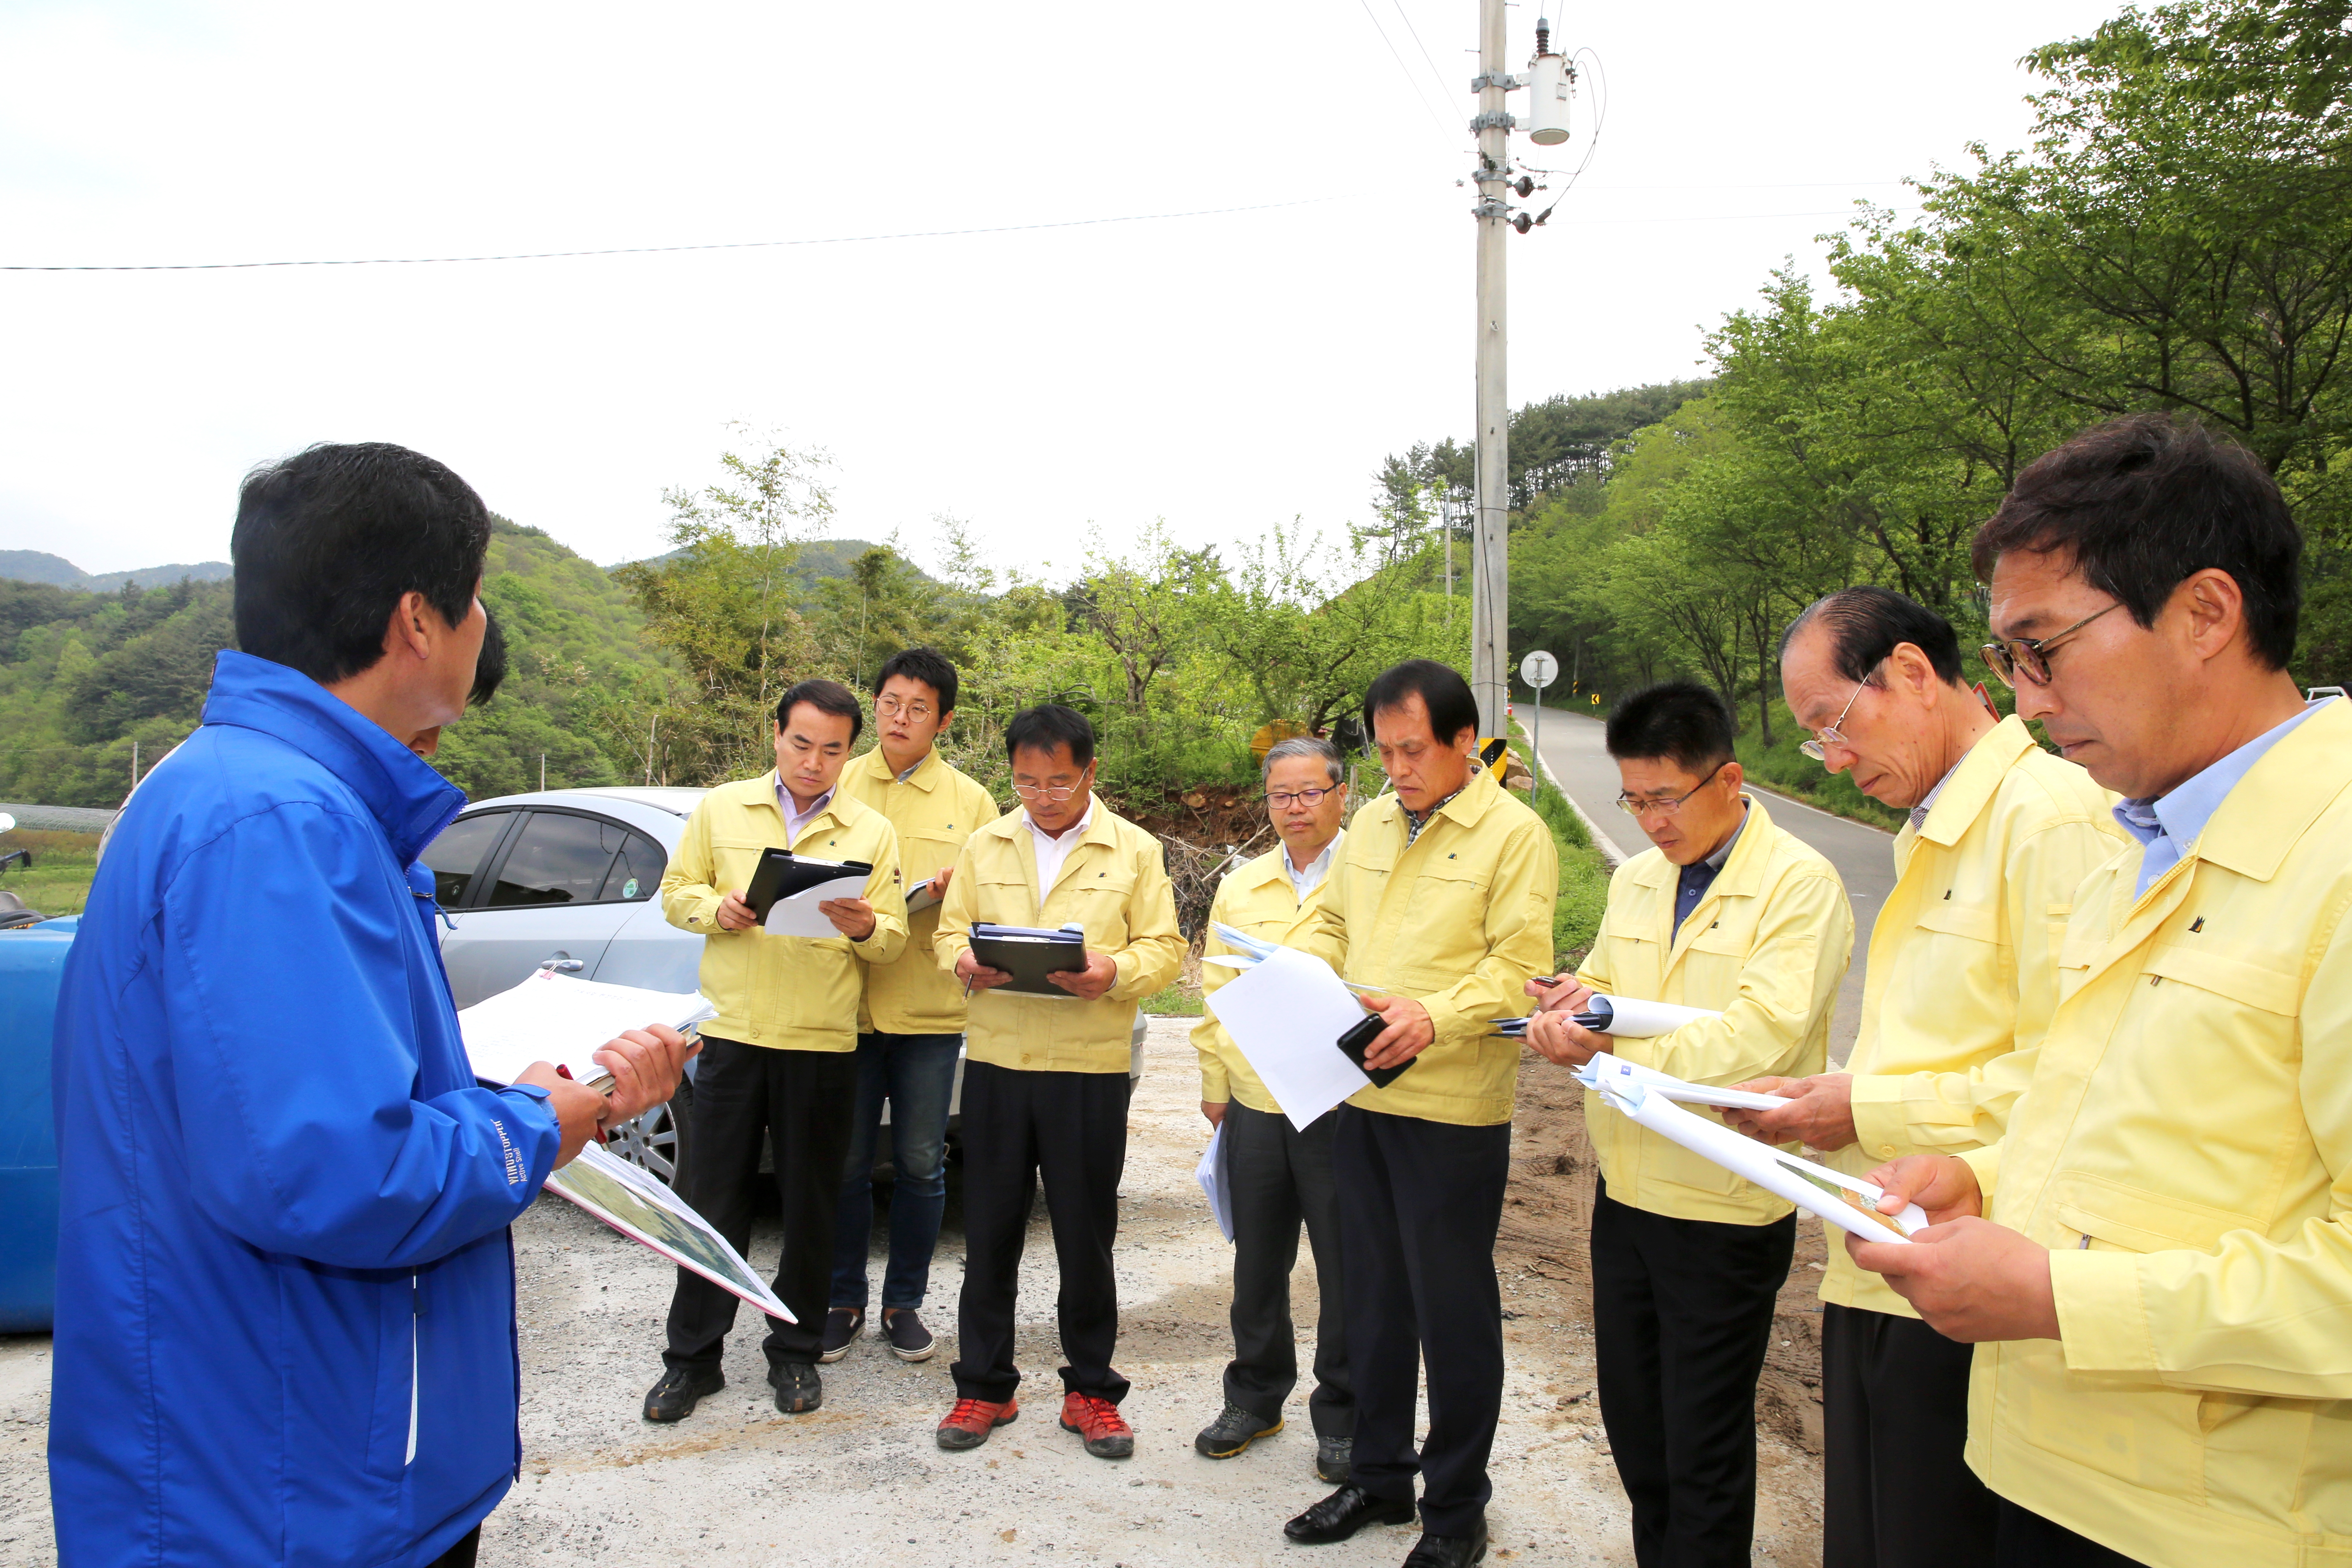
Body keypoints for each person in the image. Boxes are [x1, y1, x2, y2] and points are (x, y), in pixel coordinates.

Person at [49, 442, 696, 1568]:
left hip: (271, 1448)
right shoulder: (281, 826)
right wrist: (539, 1122)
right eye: (476, 595)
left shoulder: (247, 792)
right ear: (417, 622)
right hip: (281, 1487)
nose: (484, 621)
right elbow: (335, 1171)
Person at [1852, 414, 2352, 1568]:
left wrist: (2059, 1298)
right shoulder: (2140, 842)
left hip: (2211, 1531)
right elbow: (2149, 1134)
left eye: (2046, 650)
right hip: (2041, 1475)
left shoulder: (2332, 860)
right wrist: (1982, 1180)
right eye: (2009, 663)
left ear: (2207, 614)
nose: (2028, 703)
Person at [1721, 587, 2122, 1568]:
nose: (1833, 757)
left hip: (1972, 1272)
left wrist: (1860, 1104)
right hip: (1885, 1259)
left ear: (1909, 672)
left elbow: (2078, 1075)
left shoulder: (2050, 821)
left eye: (1834, 724)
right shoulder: (1937, 827)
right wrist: (1833, 1100)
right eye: (1816, 738)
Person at [1524, 680, 1852, 1568]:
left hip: (1723, 1206)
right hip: (1627, 1192)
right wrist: (1574, 1002)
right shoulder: (1638, 879)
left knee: (1702, 1447)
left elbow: (1760, 1037)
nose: (1651, 822)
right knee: (1638, 1433)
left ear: (1729, 779)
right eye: (1634, 801)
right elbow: (1606, 983)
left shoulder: (1798, 886)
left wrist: (1607, 1051)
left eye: (1665, 798)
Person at [1282, 660, 1557, 1568]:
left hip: (1453, 1109)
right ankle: (1378, 1477)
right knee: (1370, 1299)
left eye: (1413, 750)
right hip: (1363, 1092)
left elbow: (1519, 966)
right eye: (1385, 751)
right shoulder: (1368, 823)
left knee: (1451, 1314)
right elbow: (1331, 922)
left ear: (1464, 742)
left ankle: (1456, 1509)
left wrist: (1435, 1015)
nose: (1397, 768)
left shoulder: (1514, 836)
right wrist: (1297, 969)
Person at [641, 679, 907, 1422]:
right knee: (713, 1202)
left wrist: (864, 927)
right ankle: (692, 1361)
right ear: (777, 735)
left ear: (849, 753)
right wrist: (716, 909)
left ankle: (794, 1354)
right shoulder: (723, 808)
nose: (814, 762)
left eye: (832, 750)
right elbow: (676, 892)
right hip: (732, 1035)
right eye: (802, 744)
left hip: (821, 1043)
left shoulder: (872, 830)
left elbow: (892, 939)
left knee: (812, 1207)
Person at [931, 704, 1184, 1458]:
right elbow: (949, 931)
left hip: (1088, 1070)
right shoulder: (985, 844)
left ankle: (1092, 1393)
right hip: (999, 1066)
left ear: (1090, 772)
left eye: (1060, 782)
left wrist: (1115, 970)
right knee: (990, 1233)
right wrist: (962, 960)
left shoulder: (1133, 849)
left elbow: (1165, 948)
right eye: (1027, 782)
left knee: (1085, 1237)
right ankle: (984, 1387)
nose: (1043, 797)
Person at [824, 646, 1000, 1363]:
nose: (901, 718)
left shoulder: (972, 802)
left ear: (944, 721)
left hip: (928, 1013)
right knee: (845, 1164)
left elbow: (989, 902)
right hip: (844, 1008)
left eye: (918, 708)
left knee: (924, 1165)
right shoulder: (837, 780)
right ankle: (841, 1300)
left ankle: (904, 1304)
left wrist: (948, 895)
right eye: (891, 704)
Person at [1191, 735, 1355, 1480]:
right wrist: (1216, 1083)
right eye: (1281, 795)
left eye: (1311, 792)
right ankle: (1255, 1397)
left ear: (1342, 794)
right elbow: (1216, 991)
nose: (1296, 807)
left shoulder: (1368, 878)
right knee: (1257, 1262)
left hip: (1337, 1101)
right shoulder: (1243, 884)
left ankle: (1344, 1416)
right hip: (1256, 1101)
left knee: (1346, 1267)